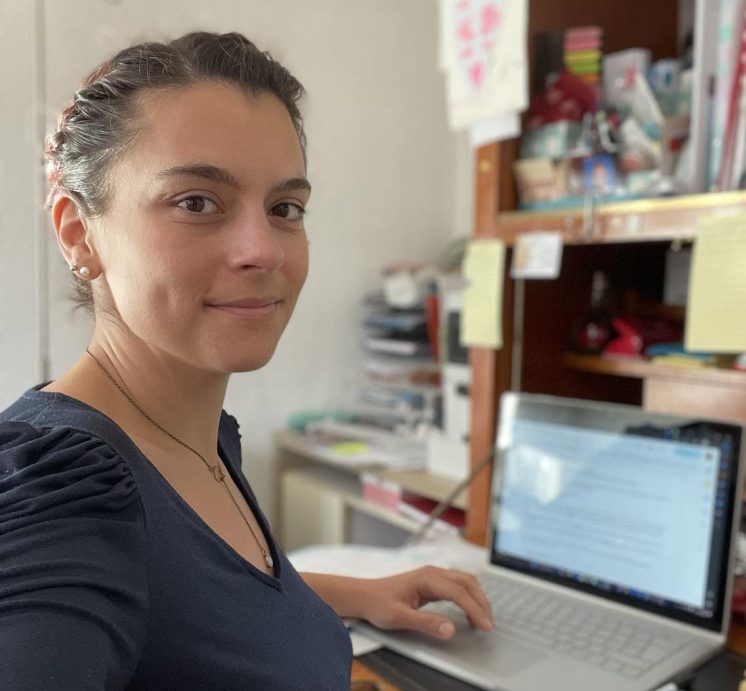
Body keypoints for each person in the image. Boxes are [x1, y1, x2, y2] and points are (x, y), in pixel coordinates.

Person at [0, 31, 492, 690]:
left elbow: (194, 598)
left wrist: (356, 593)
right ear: (78, 233)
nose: (264, 250)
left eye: (285, 208)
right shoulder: (68, 494)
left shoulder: (195, 437)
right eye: (196, 202)